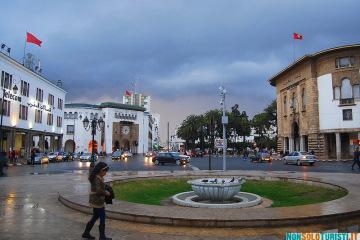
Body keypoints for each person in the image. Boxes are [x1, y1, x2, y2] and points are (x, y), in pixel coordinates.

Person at [82, 162, 112, 240]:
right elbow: (98, 190)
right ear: (101, 170)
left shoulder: (98, 177)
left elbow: (99, 187)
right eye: (105, 171)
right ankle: (102, 236)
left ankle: (86, 233)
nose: (106, 173)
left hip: (96, 200)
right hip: (97, 201)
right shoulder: (97, 178)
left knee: (95, 216)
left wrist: (106, 186)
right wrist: (106, 193)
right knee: (102, 217)